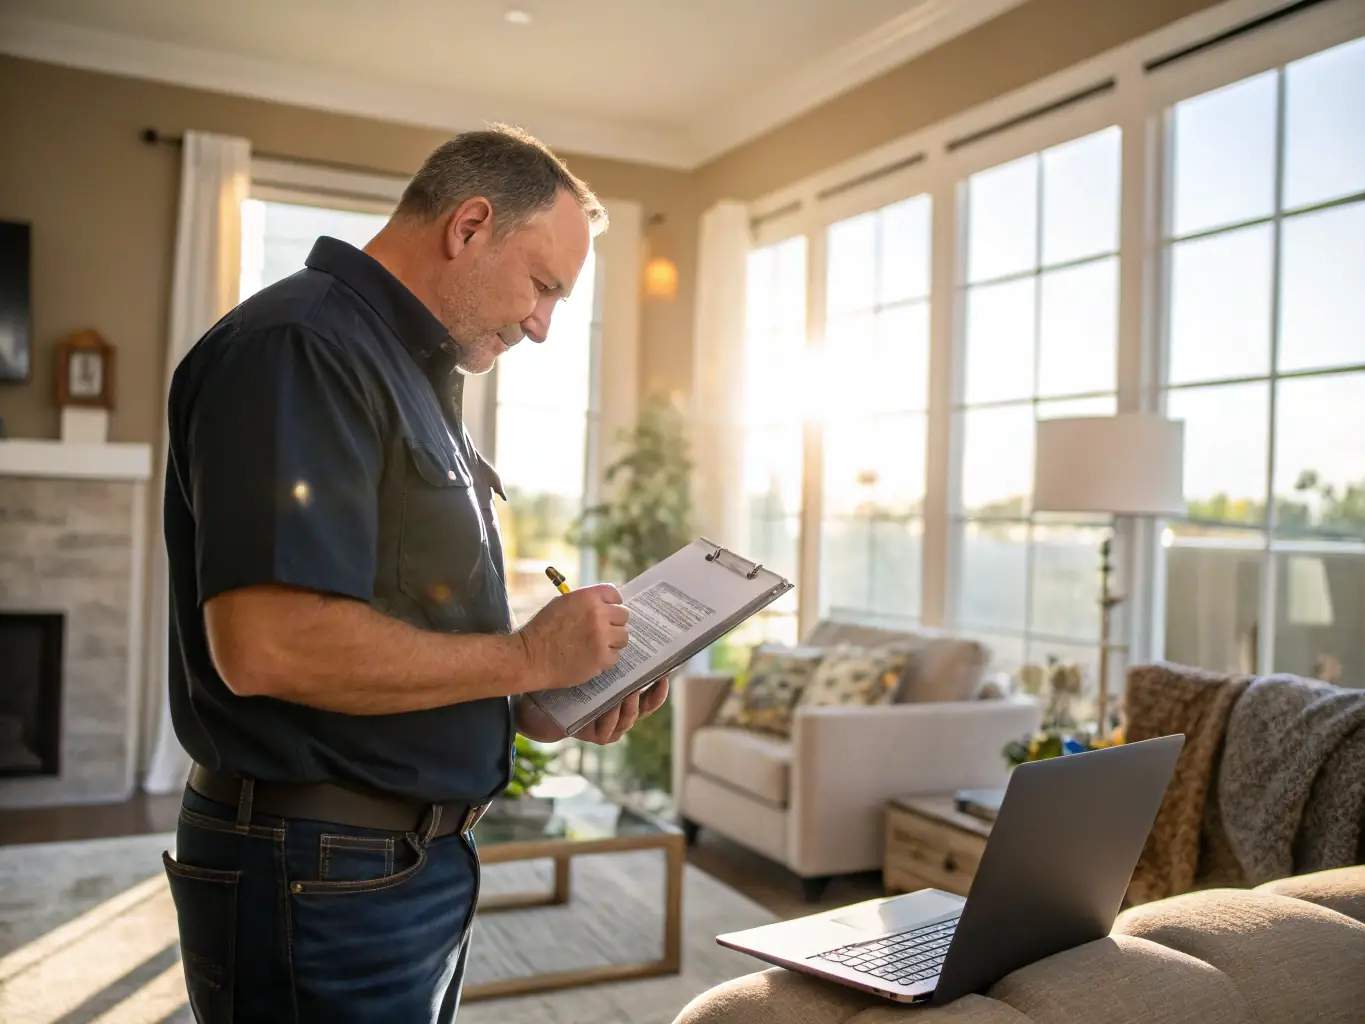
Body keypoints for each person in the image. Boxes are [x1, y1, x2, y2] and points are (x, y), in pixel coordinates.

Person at [161, 124, 668, 1023]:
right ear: (469, 225)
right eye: (543, 286)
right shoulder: (301, 349)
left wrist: (540, 701)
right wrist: (523, 660)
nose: (543, 326)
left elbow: (403, 627)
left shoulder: (406, 371)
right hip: (317, 869)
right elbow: (269, 646)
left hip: (392, 869)